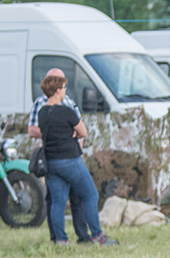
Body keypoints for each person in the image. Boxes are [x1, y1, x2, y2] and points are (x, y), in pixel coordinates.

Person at [37, 70, 118, 245]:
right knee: (90, 195)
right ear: (58, 90)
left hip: (51, 162)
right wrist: (71, 132)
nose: (65, 91)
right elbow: (83, 132)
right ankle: (97, 235)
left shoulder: (42, 113)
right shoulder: (67, 112)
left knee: (58, 202)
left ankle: (61, 240)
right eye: (64, 87)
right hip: (70, 161)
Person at [28, 70, 90, 243]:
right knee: (55, 199)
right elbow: (32, 130)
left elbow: (79, 129)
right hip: (54, 156)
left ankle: (82, 236)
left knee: (77, 197)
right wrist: (58, 133)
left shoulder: (69, 102)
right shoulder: (40, 104)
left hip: (73, 155)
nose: (64, 87)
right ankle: (57, 236)